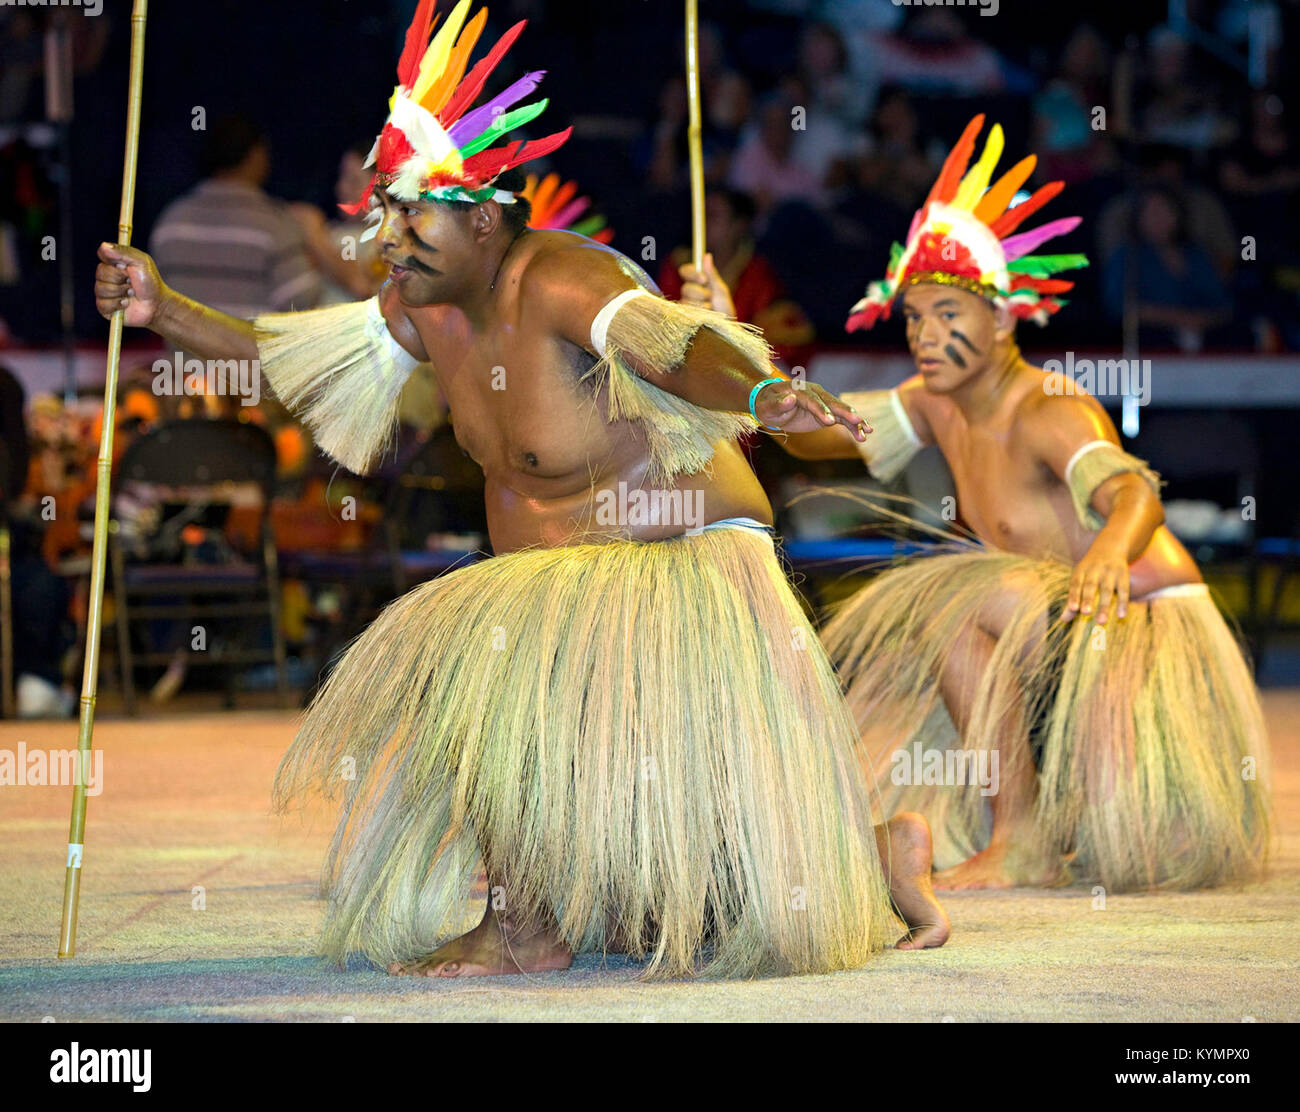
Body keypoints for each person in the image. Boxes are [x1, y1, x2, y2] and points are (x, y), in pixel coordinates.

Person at [94, 0, 948, 978]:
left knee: (508, 687)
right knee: (656, 895)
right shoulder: (417, 306)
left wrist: (759, 391)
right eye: (386, 211)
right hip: (557, 591)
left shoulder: (563, 279)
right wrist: (163, 308)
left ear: (484, 219)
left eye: (412, 213)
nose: (388, 235)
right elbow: (288, 362)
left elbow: (673, 349)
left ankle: (526, 926)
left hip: (680, 565)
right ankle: (873, 854)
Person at [710, 116, 1271, 894]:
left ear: (1003, 319)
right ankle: (1021, 836)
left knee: (978, 595)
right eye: (915, 317)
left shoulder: (1049, 407)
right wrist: (738, 353)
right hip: (1055, 626)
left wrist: (1109, 553)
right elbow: (816, 434)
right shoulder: (932, 403)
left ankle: (1065, 816)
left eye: (949, 315)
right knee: (957, 613)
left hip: (1138, 618)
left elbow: (1134, 492)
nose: (925, 335)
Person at [149, 114, 321, 319]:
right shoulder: (274, 222)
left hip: (179, 341)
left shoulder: (171, 220)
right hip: (245, 341)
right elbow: (300, 301)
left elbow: (152, 297)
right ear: (256, 156)